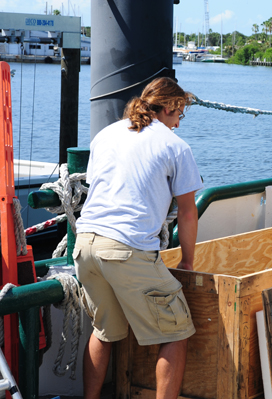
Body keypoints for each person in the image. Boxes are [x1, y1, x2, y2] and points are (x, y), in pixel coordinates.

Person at [74, 77, 203, 399]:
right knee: (175, 333)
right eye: (180, 113)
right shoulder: (175, 146)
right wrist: (186, 261)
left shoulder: (107, 134)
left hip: (86, 243)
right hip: (126, 249)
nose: (178, 122)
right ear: (170, 106)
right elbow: (187, 212)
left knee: (104, 331)